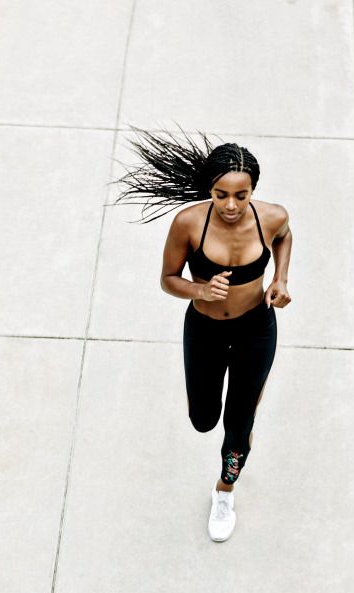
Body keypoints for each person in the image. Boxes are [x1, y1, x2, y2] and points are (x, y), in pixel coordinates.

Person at [113, 126, 292, 542]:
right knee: (203, 419)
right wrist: (199, 289)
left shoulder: (273, 217)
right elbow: (167, 279)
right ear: (209, 190)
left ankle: (224, 491)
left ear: (253, 191)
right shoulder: (188, 223)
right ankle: (222, 418)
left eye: (241, 195)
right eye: (221, 194)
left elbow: (284, 238)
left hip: (256, 328)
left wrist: (280, 279)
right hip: (204, 329)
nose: (231, 205)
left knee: (237, 422)